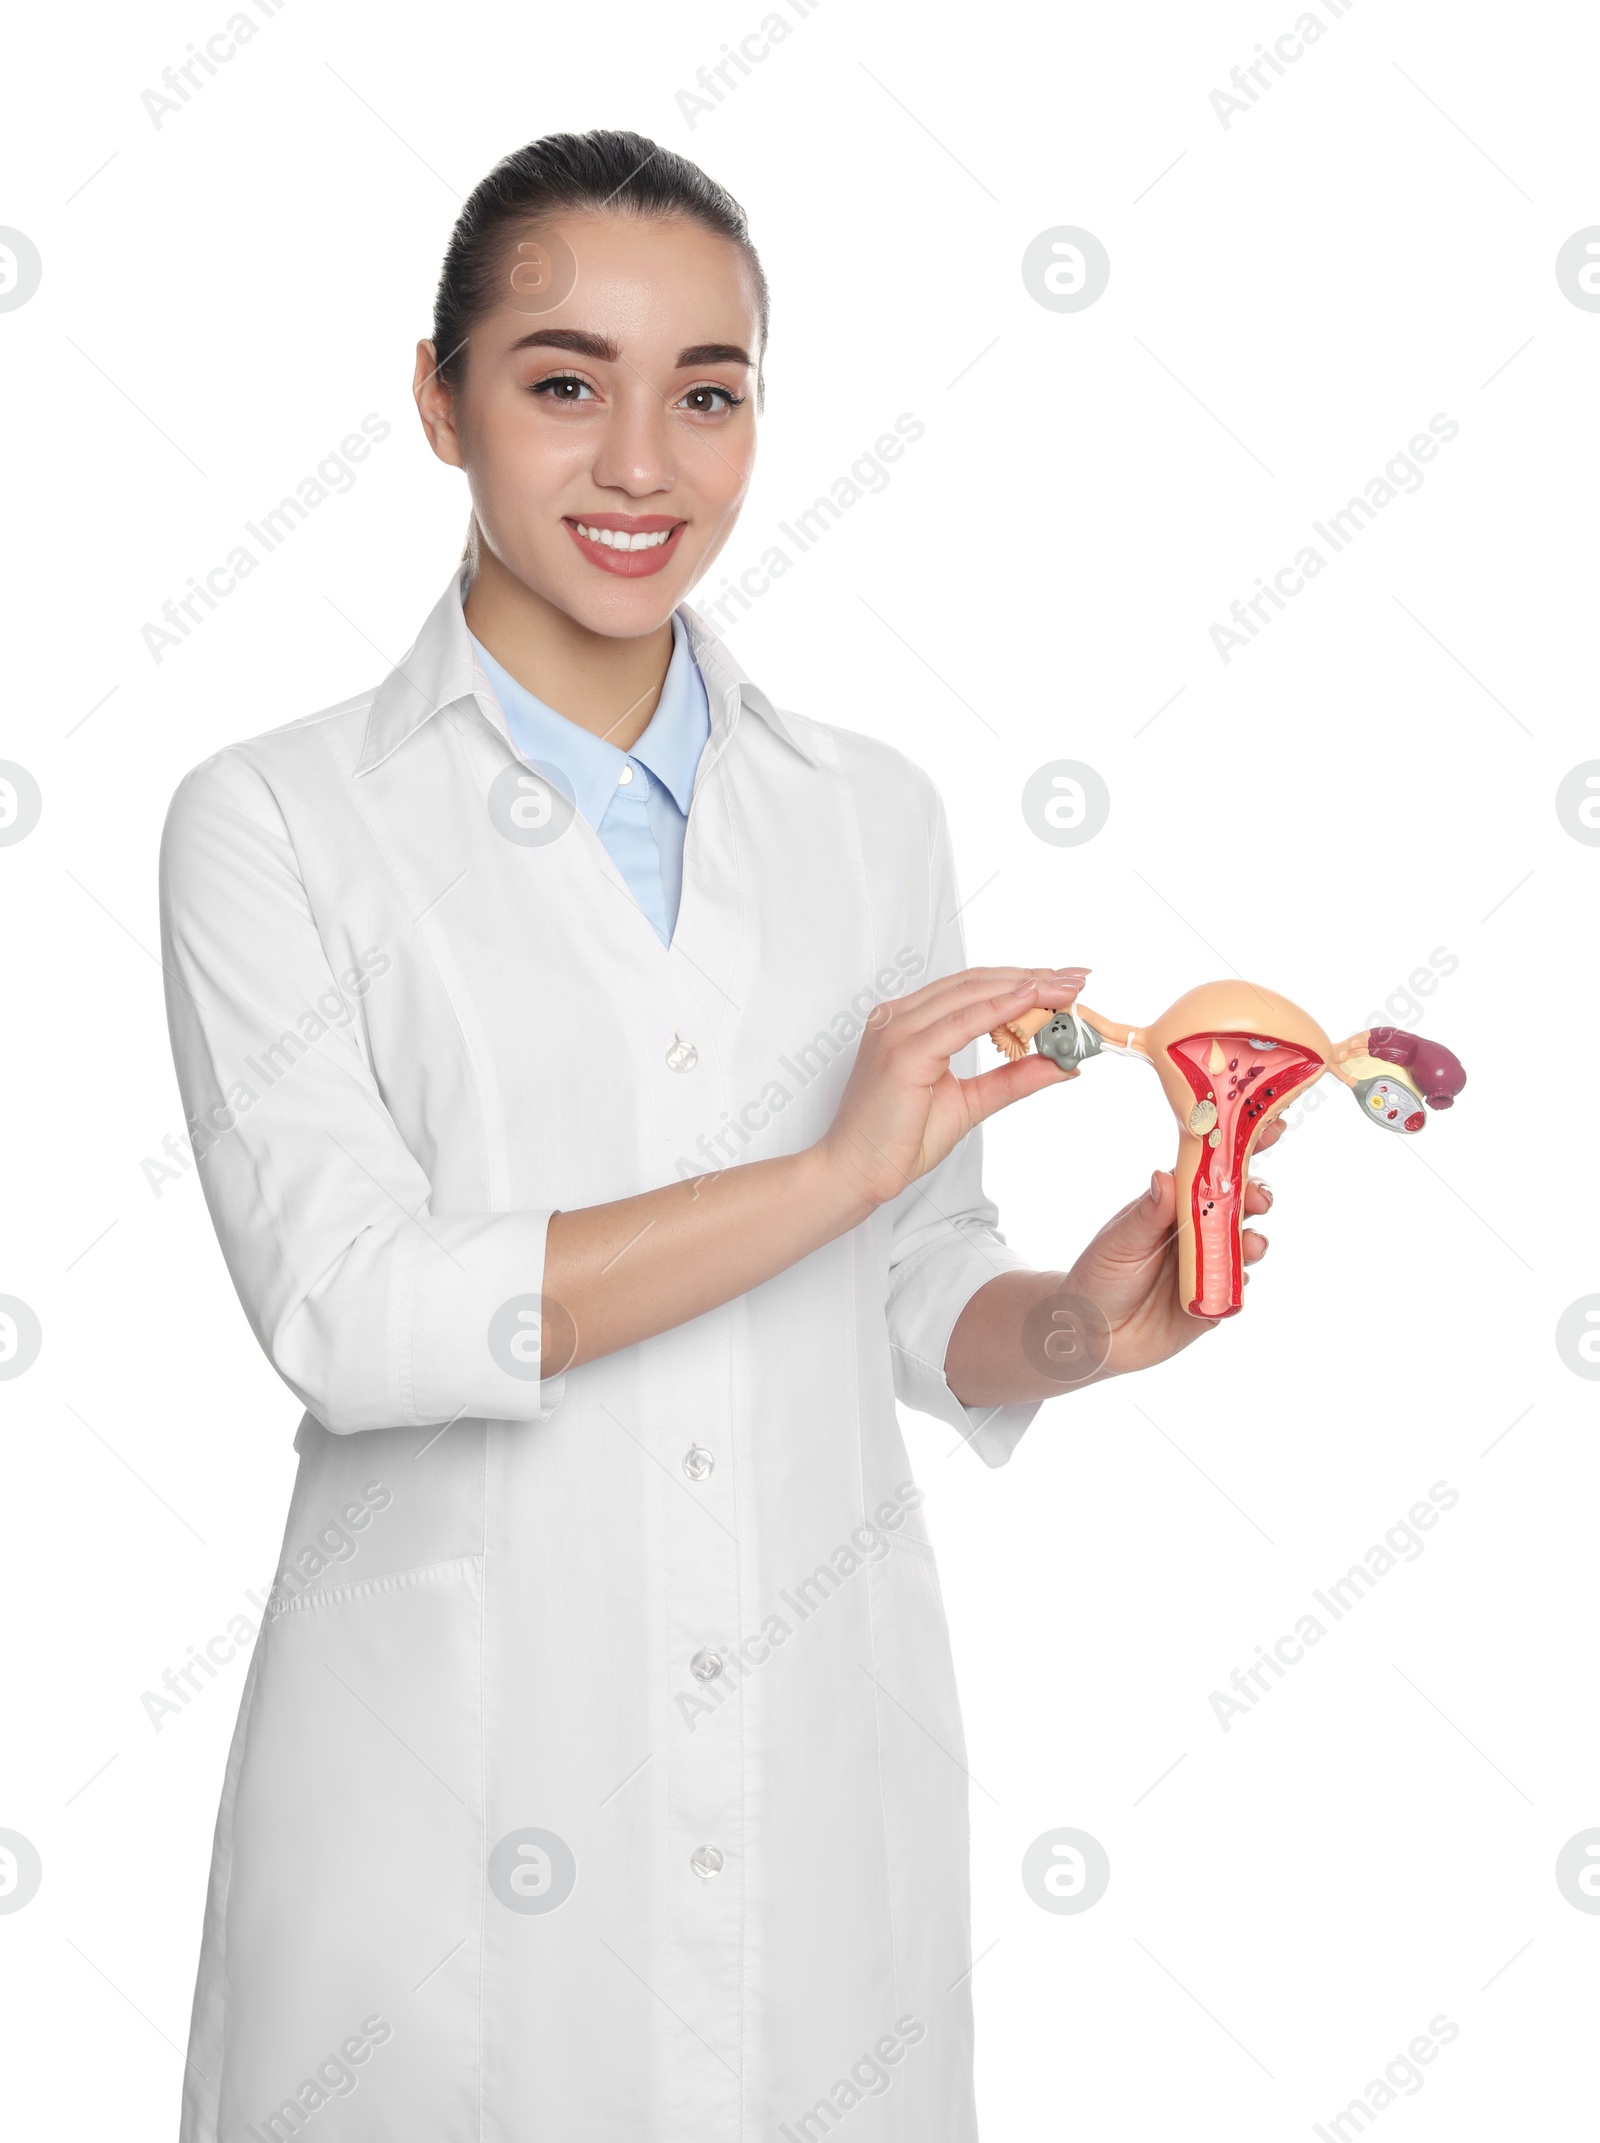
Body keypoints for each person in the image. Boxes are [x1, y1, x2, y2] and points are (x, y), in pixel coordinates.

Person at [158, 128, 1276, 2142]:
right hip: (448, 1803)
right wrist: (826, 1174)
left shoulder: (867, 813)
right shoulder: (277, 822)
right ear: (439, 399)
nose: (640, 465)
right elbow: (349, 1308)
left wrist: (1068, 1327)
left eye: (709, 391)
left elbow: (909, 1277)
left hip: (804, 1782)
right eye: (562, 381)